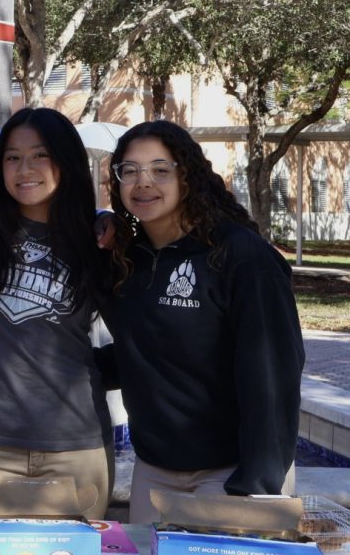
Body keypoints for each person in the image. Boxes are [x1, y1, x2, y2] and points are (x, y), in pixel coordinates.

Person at [102, 120, 304, 523]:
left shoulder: (240, 257)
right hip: (155, 472)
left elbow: (273, 373)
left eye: (161, 169)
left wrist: (257, 484)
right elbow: (146, 351)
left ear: (187, 175)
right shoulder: (127, 259)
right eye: (130, 170)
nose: (143, 183)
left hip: (231, 475)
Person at [0, 107, 115, 519]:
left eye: (40, 155)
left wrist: (118, 222)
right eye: (12, 157)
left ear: (65, 161)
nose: (24, 168)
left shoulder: (96, 241)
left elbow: (141, 334)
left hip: (77, 447)